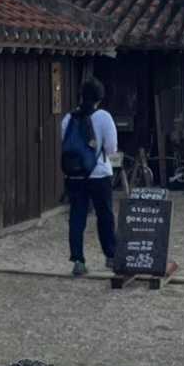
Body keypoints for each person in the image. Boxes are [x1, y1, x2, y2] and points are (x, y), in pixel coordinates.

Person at [61, 77, 118, 276]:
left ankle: (78, 260)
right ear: (99, 98)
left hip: (75, 175)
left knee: (77, 217)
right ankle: (111, 255)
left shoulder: (68, 118)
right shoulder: (104, 117)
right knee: (105, 215)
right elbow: (111, 148)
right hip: (99, 174)